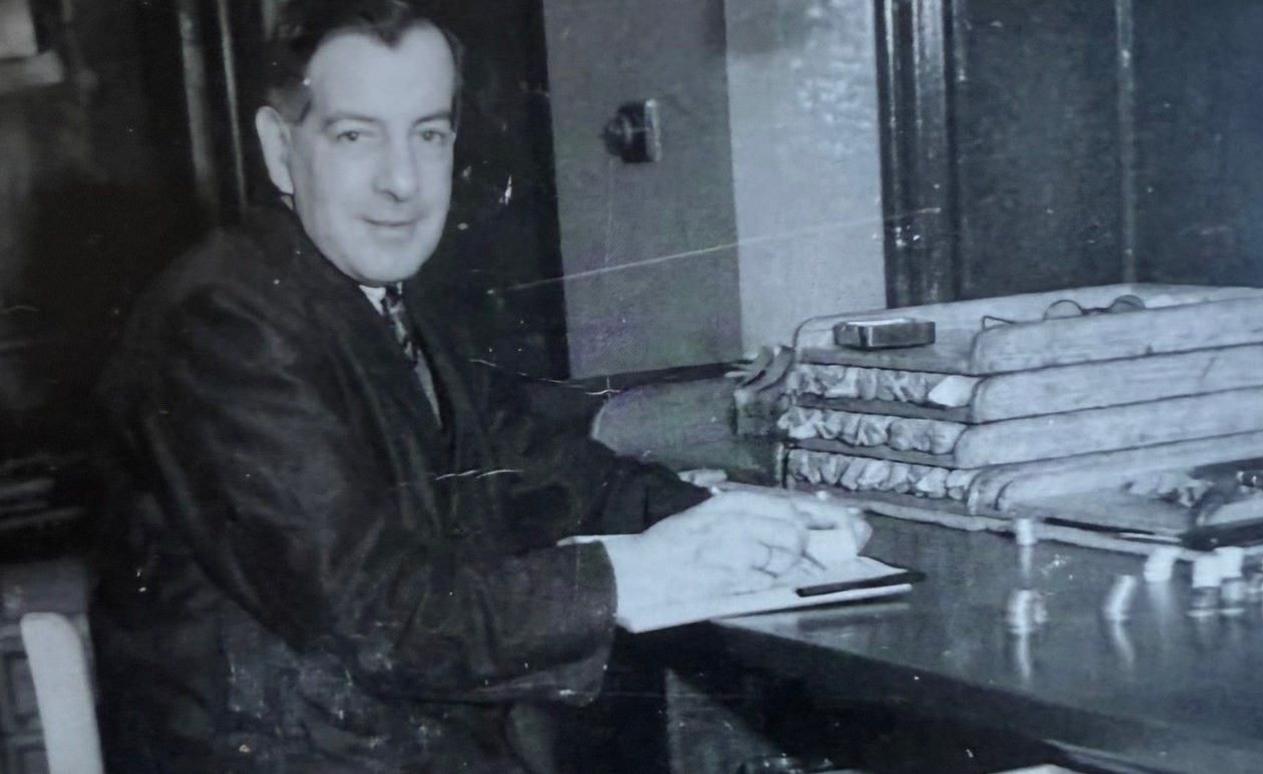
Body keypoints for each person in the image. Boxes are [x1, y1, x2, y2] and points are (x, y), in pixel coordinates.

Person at [90, 1, 868, 771]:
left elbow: (546, 474)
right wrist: (646, 567)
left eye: (427, 135)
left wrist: (750, 523)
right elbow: (382, 619)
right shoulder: (222, 319)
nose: (401, 181)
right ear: (278, 149)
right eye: (356, 135)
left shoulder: (393, 298)